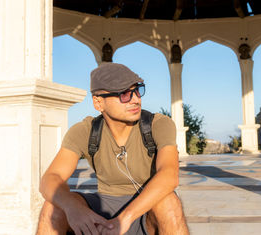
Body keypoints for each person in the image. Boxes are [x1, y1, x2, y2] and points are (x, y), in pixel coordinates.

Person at [37, 63, 189, 235]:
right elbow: (50, 179)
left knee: (169, 203)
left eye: (137, 91)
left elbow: (169, 176)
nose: (135, 99)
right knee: (52, 207)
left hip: (146, 209)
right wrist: (72, 208)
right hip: (103, 207)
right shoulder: (85, 131)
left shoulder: (158, 124)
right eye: (124, 94)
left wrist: (124, 219)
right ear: (98, 102)